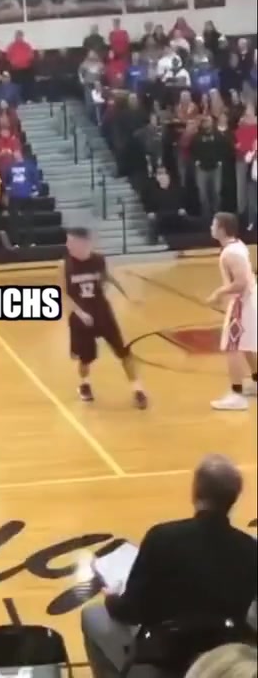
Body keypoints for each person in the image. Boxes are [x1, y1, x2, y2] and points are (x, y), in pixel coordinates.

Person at [81, 454, 257, 678]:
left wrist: (112, 599)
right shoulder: (250, 549)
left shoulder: (162, 537)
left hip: (165, 656)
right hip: (224, 659)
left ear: (195, 491)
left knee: (92, 615)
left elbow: (131, 611)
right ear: (234, 498)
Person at [63, 228, 148, 409]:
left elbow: (112, 278)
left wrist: (130, 296)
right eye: (68, 242)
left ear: (84, 244)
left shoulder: (99, 261)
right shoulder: (65, 266)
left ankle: (138, 390)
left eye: (71, 242)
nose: (68, 245)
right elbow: (64, 294)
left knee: (124, 352)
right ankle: (84, 384)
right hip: (80, 316)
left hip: (102, 312)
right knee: (86, 358)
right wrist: (80, 313)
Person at [206, 212, 258, 411]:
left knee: (232, 346)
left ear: (221, 229)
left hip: (242, 303)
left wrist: (218, 293)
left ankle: (237, 395)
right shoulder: (237, 246)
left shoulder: (231, 253)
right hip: (248, 301)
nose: (211, 227)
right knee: (245, 345)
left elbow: (241, 283)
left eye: (214, 224)